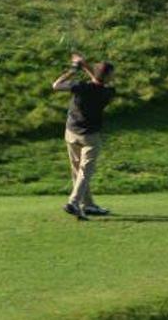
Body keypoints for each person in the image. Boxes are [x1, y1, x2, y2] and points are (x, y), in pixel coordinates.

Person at [52, 53, 116, 220]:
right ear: (107, 76)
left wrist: (75, 68)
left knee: (77, 171)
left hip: (71, 133)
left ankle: (87, 205)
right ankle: (73, 202)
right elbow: (98, 80)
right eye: (112, 74)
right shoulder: (109, 91)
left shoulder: (81, 87)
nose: (114, 76)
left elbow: (56, 85)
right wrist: (85, 65)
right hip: (90, 137)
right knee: (85, 172)